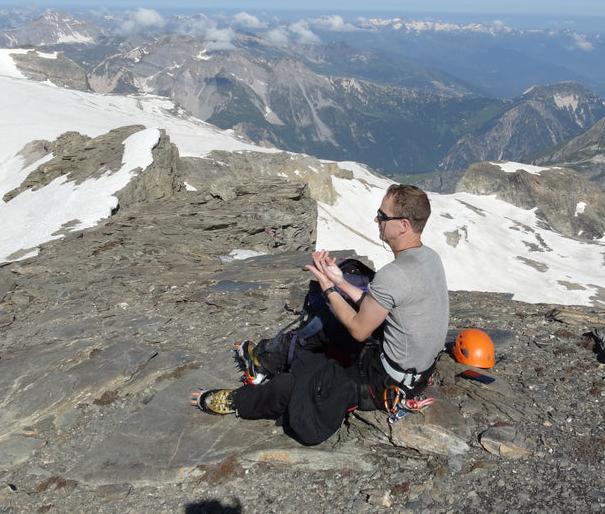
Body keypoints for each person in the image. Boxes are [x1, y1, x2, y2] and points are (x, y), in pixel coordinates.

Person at [192, 184, 450, 445]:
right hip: (412, 373)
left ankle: (238, 401)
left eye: (383, 216)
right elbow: (381, 304)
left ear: (403, 225)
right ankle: (265, 361)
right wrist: (340, 281)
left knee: (299, 383)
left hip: (384, 381)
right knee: (332, 321)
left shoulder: (395, 274)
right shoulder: (429, 258)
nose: (377, 219)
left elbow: (360, 330)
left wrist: (328, 289)